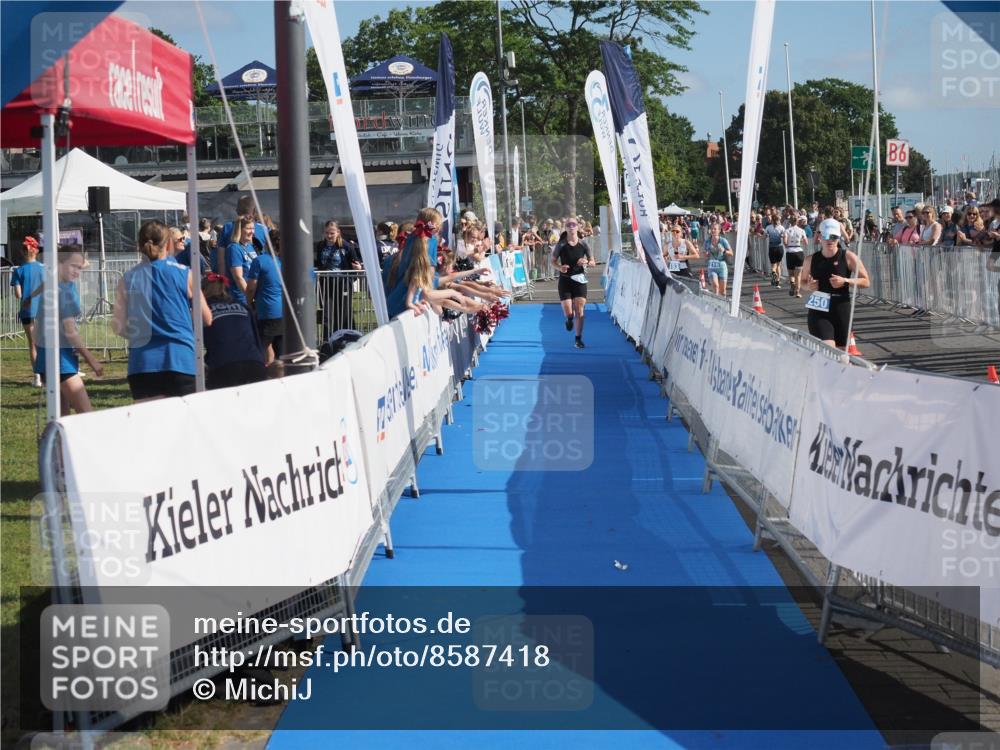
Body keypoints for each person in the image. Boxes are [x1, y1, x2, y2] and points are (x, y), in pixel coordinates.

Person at [113, 220, 213, 401]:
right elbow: (206, 318)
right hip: (181, 359)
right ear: (168, 245)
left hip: (142, 363)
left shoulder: (127, 278)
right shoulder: (185, 273)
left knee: (150, 419)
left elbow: (118, 327)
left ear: (139, 246)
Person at [31, 246, 103, 414]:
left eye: (79, 267)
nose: (77, 271)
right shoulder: (63, 291)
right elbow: (70, 331)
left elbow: (40, 329)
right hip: (61, 362)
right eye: (73, 266)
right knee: (86, 415)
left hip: (51, 359)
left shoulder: (54, 284)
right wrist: (92, 360)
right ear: (60, 263)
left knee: (62, 419)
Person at [799, 219, 870, 352]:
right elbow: (802, 282)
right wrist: (808, 286)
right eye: (826, 236)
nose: (830, 240)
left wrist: (846, 281)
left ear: (839, 238)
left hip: (841, 307)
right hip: (819, 309)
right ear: (820, 237)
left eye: (834, 237)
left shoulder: (848, 257)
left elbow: (866, 281)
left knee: (842, 353)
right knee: (828, 350)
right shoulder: (810, 259)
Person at [202, 273, 266, 390]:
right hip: (254, 362)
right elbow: (257, 339)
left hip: (224, 364)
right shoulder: (242, 305)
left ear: (203, 291)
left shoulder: (204, 310)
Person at [552, 217, 594, 349]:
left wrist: (586, 262)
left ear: (578, 227)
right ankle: (569, 319)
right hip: (565, 281)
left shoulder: (584, 244)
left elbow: (593, 261)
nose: (571, 226)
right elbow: (553, 261)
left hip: (579, 280)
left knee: (580, 311)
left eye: (574, 224)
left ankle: (578, 339)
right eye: (568, 224)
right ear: (565, 228)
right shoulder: (561, 244)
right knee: (569, 313)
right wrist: (560, 268)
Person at [246, 229, 284, 367]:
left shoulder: (259, 261)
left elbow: (251, 288)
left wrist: (248, 303)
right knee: (281, 353)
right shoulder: (288, 262)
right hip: (285, 312)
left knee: (259, 351)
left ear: (267, 244)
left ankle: (262, 375)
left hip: (267, 312)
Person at [10, 236, 45, 384]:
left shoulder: (18, 271)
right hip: (43, 310)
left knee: (32, 344)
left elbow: (18, 295)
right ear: (35, 251)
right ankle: (48, 374)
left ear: (23, 252)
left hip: (27, 311)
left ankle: (37, 377)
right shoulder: (43, 269)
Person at [703, 223, 733, 296]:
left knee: (723, 291)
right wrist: (706, 254)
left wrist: (724, 251)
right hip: (712, 267)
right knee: (715, 286)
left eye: (715, 229)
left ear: (719, 230)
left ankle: (723, 302)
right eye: (711, 229)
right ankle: (715, 302)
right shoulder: (707, 241)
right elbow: (704, 254)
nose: (713, 230)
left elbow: (731, 253)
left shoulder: (723, 241)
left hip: (722, 266)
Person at [764, 211, 785, 287]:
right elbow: (784, 236)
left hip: (772, 248)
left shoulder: (768, 227)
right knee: (778, 265)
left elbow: (765, 236)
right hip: (779, 248)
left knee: (773, 265)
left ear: (772, 220)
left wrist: (760, 236)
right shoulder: (782, 228)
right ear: (778, 220)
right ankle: (778, 281)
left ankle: (773, 272)